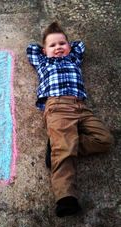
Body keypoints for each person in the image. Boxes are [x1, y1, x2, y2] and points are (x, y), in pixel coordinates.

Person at [26, 22, 114, 217]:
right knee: (64, 151)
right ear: (44, 50)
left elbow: (80, 45)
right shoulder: (43, 62)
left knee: (105, 140)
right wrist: (46, 48)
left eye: (62, 43)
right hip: (58, 107)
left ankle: (58, 148)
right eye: (53, 45)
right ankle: (66, 199)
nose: (58, 48)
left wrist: (67, 47)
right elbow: (31, 48)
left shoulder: (73, 58)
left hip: (81, 107)